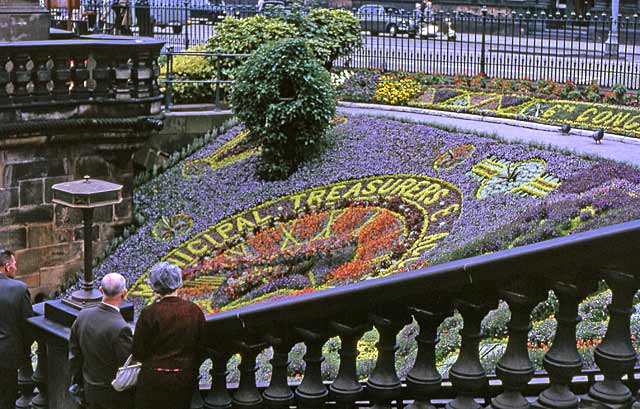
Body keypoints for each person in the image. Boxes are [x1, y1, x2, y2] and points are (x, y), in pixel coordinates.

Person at [132, 262, 206, 409]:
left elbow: (138, 351)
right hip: (183, 377)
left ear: (155, 286)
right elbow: (201, 347)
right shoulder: (194, 311)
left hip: (154, 378)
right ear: (178, 283)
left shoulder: (149, 313)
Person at [69, 273, 134, 409]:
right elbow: (126, 368)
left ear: (100, 290)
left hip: (88, 391)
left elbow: (74, 355)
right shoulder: (121, 328)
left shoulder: (83, 315)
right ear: (124, 293)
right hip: (111, 398)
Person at [0, 250, 33, 409]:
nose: (16, 267)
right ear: (7, 267)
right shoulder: (19, 289)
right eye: (14, 264)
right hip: (7, 356)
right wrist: (24, 350)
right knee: (7, 399)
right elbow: (28, 326)